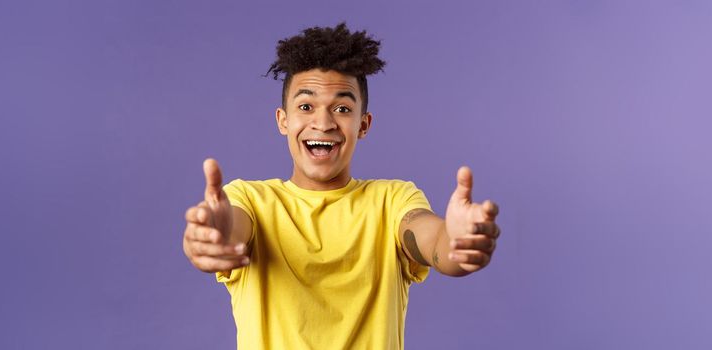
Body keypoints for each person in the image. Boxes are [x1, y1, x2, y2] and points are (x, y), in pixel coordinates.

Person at [182, 22, 501, 349]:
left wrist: (458, 242)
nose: (323, 123)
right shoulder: (249, 200)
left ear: (363, 124)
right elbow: (233, 230)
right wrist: (214, 237)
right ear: (283, 120)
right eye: (306, 106)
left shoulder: (391, 200)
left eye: (343, 108)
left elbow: (431, 241)